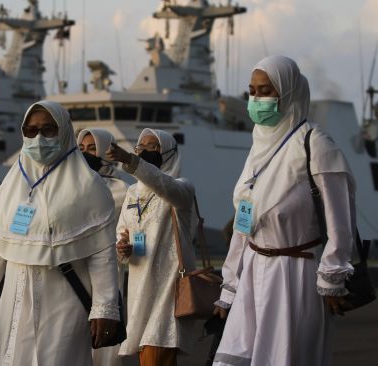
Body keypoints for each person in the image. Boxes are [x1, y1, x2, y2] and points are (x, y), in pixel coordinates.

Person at [0, 101, 121, 366]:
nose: (38, 138)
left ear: (64, 131)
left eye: (48, 130)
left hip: (64, 302)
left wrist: (105, 307)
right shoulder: (9, 189)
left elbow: (102, 254)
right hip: (14, 303)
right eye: (31, 131)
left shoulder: (90, 188)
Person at [212, 55, 356, 366]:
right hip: (251, 272)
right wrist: (229, 285)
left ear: (288, 93)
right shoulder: (259, 147)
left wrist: (332, 276)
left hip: (295, 278)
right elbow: (244, 223)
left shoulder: (316, 145)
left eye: (265, 91)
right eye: (252, 91)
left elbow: (340, 221)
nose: (256, 99)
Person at [107, 128, 197, 366]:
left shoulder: (182, 188)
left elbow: (161, 183)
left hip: (168, 287)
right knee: (148, 354)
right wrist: (123, 246)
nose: (145, 151)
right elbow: (122, 229)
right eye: (141, 147)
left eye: (152, 147)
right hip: (139, 286)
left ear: (168, 152)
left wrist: (130, 160)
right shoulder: (132, 192)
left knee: (156, 353)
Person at [78, 128, 130, 366]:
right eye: (81, 149)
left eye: (92, 149)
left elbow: (129, 228)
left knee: (104, 336)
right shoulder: (71, 185)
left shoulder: (121, 188)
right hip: (76, 265)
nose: (86, 154)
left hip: (108, 266)